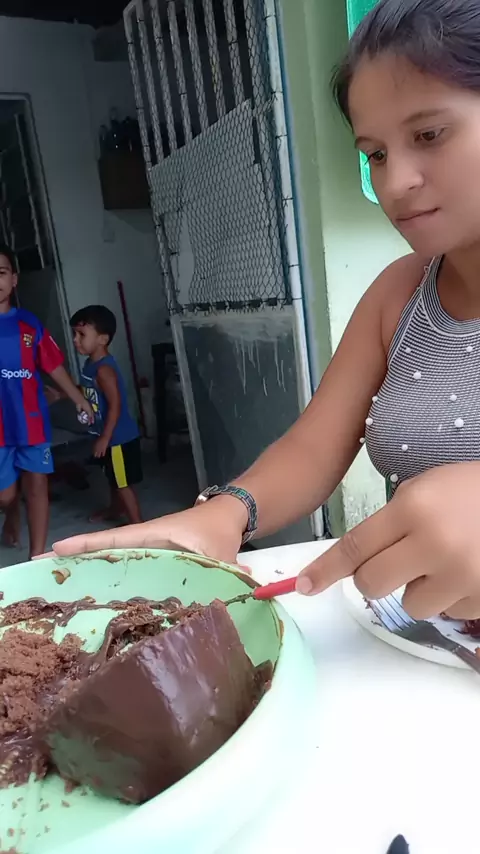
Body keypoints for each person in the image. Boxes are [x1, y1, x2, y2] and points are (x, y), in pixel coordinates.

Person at [53, 0, 480, 621]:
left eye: (429, 135)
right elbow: (314, 445)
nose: (395, 183)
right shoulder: (400, 292)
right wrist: (224, 515)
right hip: (420, 648)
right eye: (376, 154)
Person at [0, 245, 93, 557]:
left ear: (14, 279)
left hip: (31, 421)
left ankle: (37, 556)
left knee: (38, 486)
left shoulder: (29, 324)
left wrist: (77, 398)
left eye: (1, 273)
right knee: (5, 495)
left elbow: (53, 366)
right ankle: (12, 512)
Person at [70, 304, 143, 525]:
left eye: (81, 334)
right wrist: (63, 394)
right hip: (107, 436)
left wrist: (105, 438)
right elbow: (88, 390)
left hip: (117, 439)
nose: (75, 339)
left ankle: (139, 526)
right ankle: (115, 510)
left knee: (122, 483)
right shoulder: (89, 365)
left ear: (102, 339)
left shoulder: (104, 370)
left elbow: (115, 405)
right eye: (75, 334)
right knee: (113, 477)